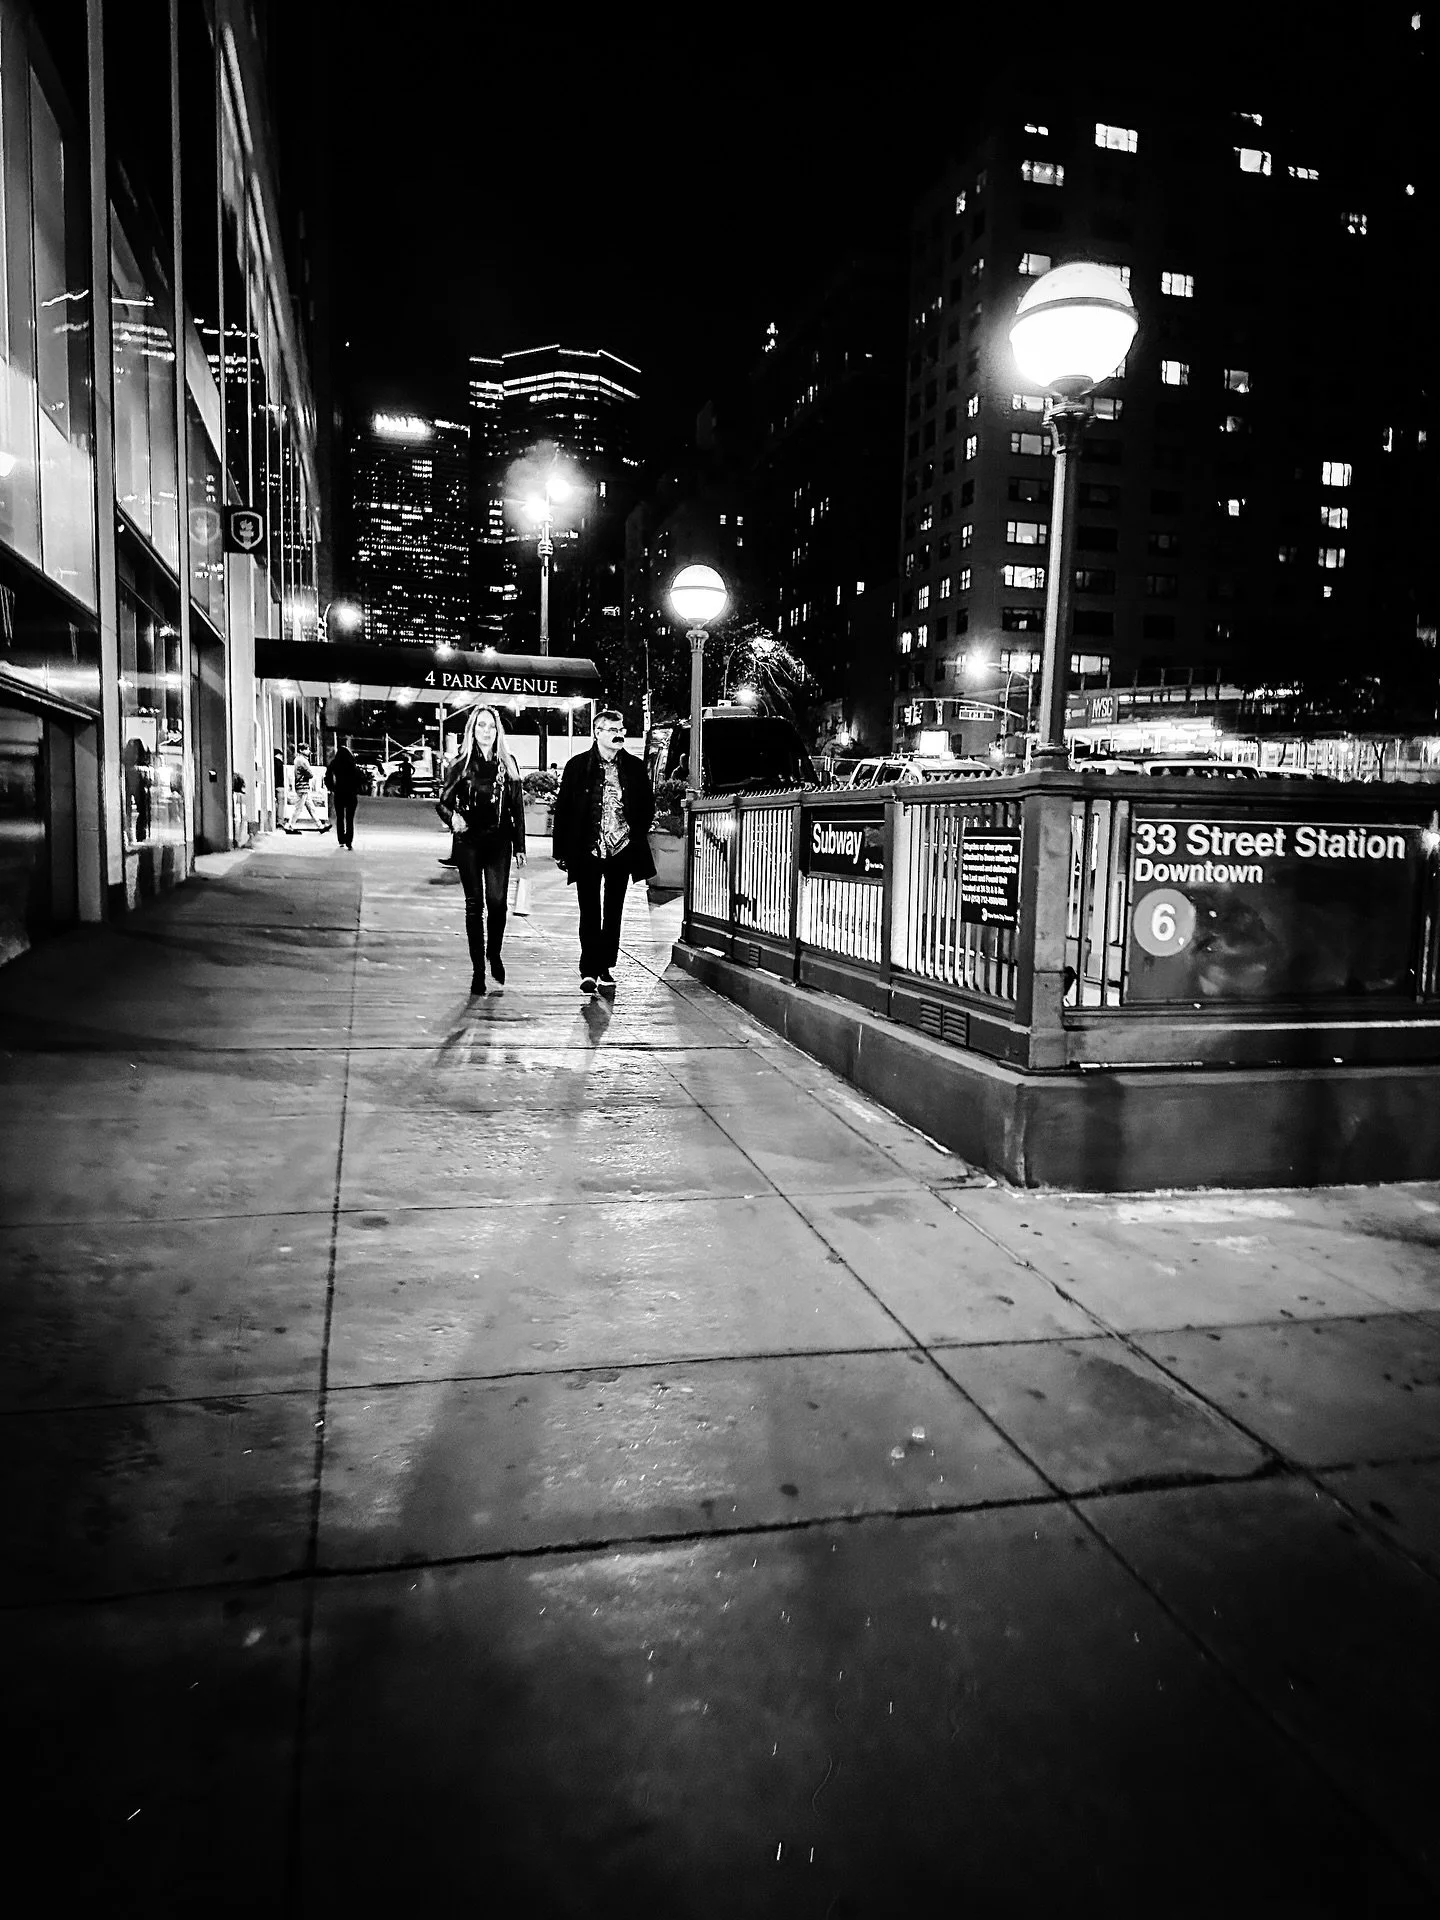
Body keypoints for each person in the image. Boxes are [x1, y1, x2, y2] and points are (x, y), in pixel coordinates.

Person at [552, 708, 655, 996]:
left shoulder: (634, 767)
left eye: (621, 729)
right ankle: (588, 969)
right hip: (588, 849)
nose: (618, 734)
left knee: (613, 910)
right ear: (597, 732)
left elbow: (647, 805)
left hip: (621, 849)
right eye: (612, 729)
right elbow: (564, 810)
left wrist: (634, 833)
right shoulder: (577, 766)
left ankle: (605, 966)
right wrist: (561, 850)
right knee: (589, 910)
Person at [435, 704, 526, 994]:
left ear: (498, 731)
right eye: (480, 726)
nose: (486, 731)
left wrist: (520, 845)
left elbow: (516, 807)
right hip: (469, 842)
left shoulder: (508, 762)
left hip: (499, 841)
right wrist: (453, 818)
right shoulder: (460, 764)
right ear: (472, 730)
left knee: (497, 903)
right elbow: (442, 803)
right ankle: (478, 972)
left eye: (491, 726)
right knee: (475, 905)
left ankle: (493, 953)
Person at [324, 738, 362, 850]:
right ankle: (349, 841)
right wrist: (356, 789)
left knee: (340, 817)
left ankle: (341, 840)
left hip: (339, 793)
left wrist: (331, 788)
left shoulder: (334, 764)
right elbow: (359, 779)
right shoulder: (353, 765)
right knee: (350, 819)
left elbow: (327, 777)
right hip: (351, 794)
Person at [283, 746, 326, 833]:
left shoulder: (298, 759)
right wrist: (310, 774)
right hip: (303, 787)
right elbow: (310, 774)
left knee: (311, 807)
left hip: (302, 787)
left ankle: (320, 825)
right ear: (301, 750)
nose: (308, 751)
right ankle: (289, 826)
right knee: (299, 808)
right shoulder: (302, 760)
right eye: (306, 749)